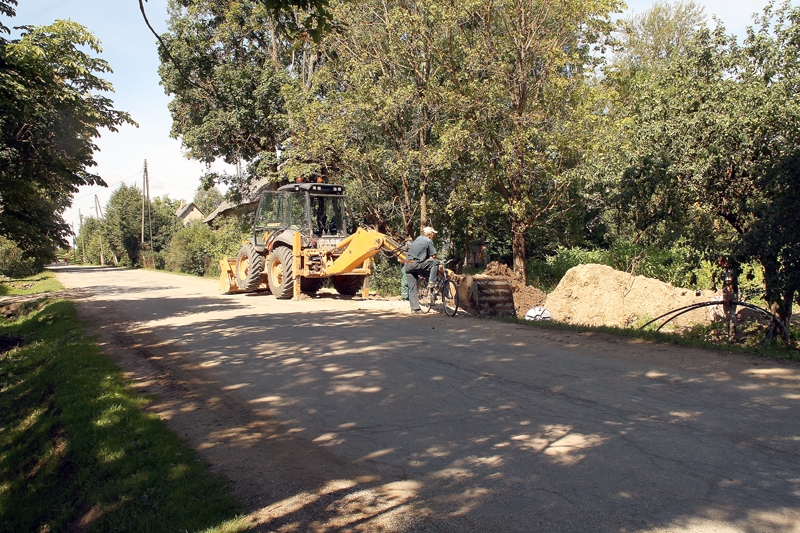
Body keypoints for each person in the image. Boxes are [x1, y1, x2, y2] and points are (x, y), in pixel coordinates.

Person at [404, 227, 440, 313]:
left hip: (408, 265)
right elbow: (434, 255)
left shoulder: (417, 239)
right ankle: (431, 282)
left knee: (412, 288)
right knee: (435, 262)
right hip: (417, 264)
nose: (434, 235)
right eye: (433, 234)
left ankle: (415, 309)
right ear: (430, 234)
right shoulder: (429, 241)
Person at [713, 256, 739, 341]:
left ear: (723, 262)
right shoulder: (731, 269)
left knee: (730, 314)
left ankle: (732, 337)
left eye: (720, 262)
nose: (719, 264)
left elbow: (729, 284)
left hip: (730, 294)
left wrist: (727, 297)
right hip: (731, 293)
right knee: (730, 314)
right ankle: (730, 335)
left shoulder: (728, 270)